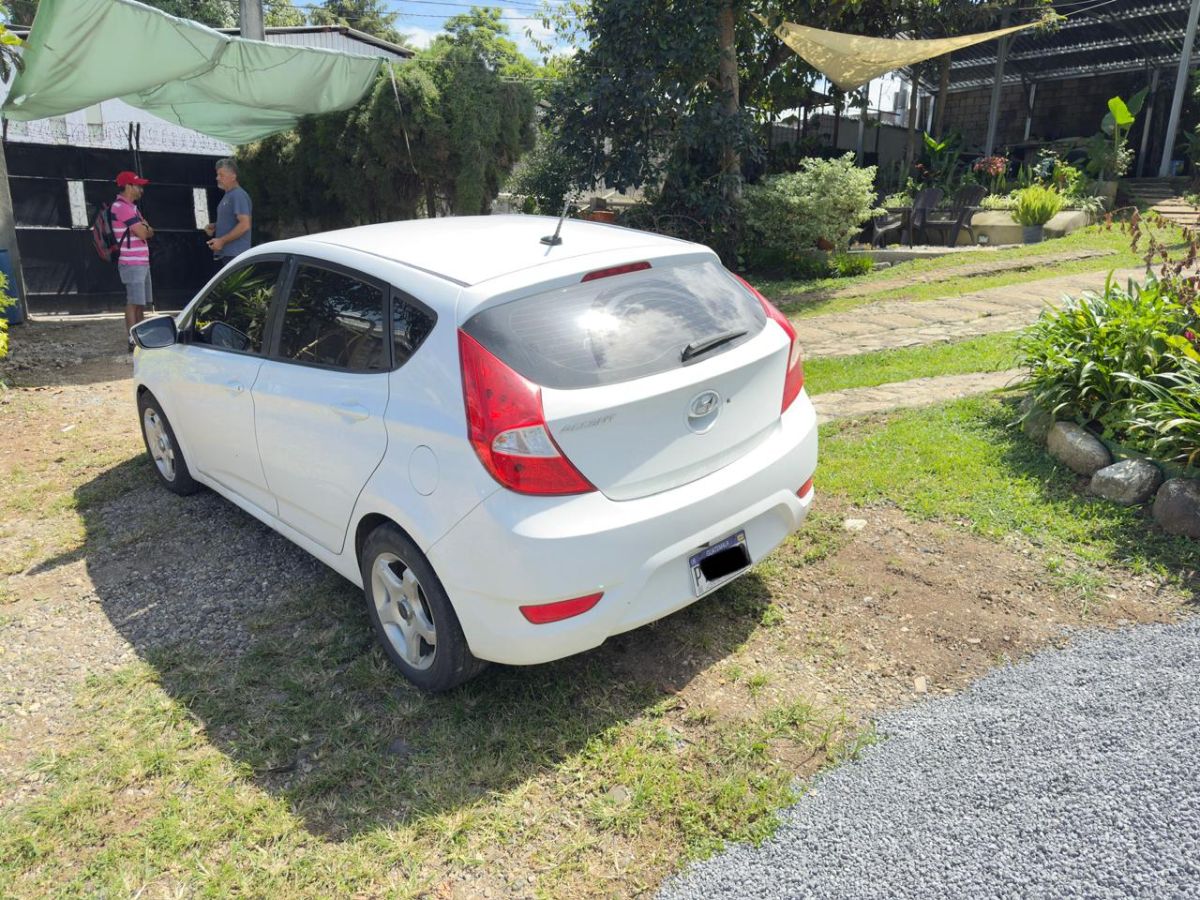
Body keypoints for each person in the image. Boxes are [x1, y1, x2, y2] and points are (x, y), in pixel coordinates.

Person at [111, 170, 154, 351]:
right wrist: (145, 228)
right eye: (138, 186)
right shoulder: (122, 208)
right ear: (128, 186)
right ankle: (132, 340)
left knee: (140, 302)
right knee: (133, 301)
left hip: (141, 261)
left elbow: (150, 231)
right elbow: (145, 232)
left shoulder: (132, 208)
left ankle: (140, 336)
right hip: (131, 262)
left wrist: (145, 228)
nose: (140, 190)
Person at [205, 158, 252, 270]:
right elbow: (233, 221)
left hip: (236, 255)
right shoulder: (228, 196)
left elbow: (245, 225)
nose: (217, 178)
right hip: (229, 255)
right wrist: (215, 226)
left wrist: (221, 241)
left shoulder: (238, 195)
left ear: (233, 176)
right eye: (217, 175)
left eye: (221, 175)